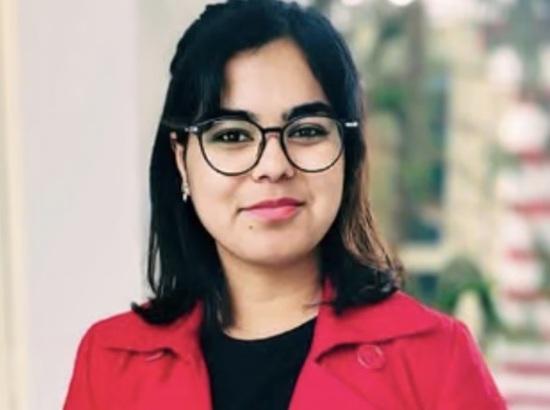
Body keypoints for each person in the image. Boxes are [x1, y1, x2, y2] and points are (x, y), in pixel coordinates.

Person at [63, 1, 507, 409]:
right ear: (182, 160)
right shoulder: (109, 361)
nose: (273, 166)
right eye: (232, 135)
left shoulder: (435, 358)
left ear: (348, 151)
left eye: (307, 130)